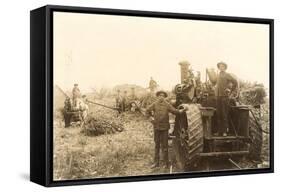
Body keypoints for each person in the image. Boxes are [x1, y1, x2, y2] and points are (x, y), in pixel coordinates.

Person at [146, 90, 186, 169]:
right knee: (157, 145)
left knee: (165, 146)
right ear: (157, 96)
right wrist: (151, 119)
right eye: (160, 95)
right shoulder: (154, 104)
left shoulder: (167, 105)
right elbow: (147, 111)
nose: (161, 97)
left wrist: (182, 110)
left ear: (164, 97)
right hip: (156, 127)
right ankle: (156, 163)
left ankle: (166, 163)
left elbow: (175, 111)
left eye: (163, 96)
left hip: (164, 128)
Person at [215, 62, 238, 136]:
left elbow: (235, 82)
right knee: (219, 114)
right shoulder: (218, 75)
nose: (221, 67)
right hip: (218, 97)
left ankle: (225, 131)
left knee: (224, 114)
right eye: (220, 66)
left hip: (225, 97)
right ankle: (219, 131)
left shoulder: (227, 75)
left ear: (225, 67)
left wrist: (229, 90)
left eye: (222, 66)